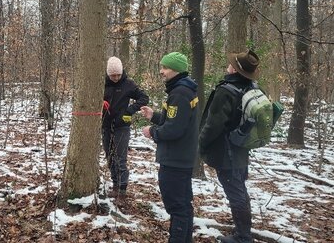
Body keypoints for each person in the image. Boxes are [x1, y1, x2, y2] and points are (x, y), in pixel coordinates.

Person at [199, 50, 260, 243]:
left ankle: (243, 237)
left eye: (230, 64)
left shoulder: (227, 90)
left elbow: (214, 124)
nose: (228, 65)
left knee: (236, 193)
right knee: (239, 190)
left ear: (234, 69)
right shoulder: (252, 88)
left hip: (227, 153)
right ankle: (242, 233)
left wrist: (200, 143)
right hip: (241, 149)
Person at [140, 52, 198, 243]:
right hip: (180, 157)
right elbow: (175, 120)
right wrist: (154, 116)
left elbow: (174, 129)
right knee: (183, 205)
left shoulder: (180, 93)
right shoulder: (181, 91)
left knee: (177, 207)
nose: (161, 71)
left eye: (165, 68)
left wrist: (152, 132)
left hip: (175, 160)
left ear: (176, 70)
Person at [102, 56, 149, 198]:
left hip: (122, 126)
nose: (115, 78)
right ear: (108, 74)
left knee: (120, 158)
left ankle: (122, 189)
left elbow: (144, 98)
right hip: (105, 125)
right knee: (109, 157)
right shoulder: (102, 83)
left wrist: (129, 110)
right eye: (112, 75)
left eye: (118, 75)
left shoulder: (128, 84)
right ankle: (115, 184)